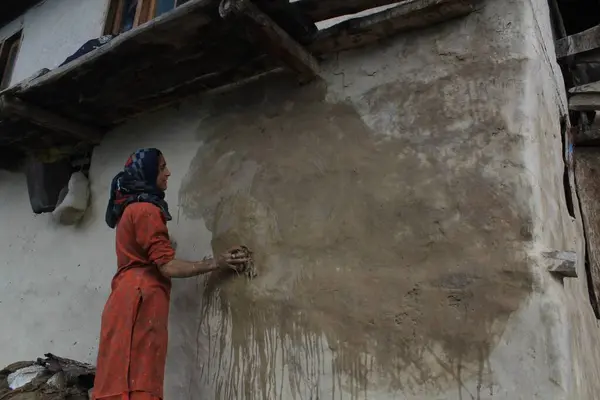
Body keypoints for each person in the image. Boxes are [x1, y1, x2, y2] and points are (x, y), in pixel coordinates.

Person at [92, 148, 246, 400]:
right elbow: (167, 265)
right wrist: (216, 263)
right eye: (162, 167)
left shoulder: (131, 210)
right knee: (139, 379)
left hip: (126, 298)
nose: (168, 172)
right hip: (139, 300)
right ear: (148, 173)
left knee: (118, 378)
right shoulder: (145, 210)